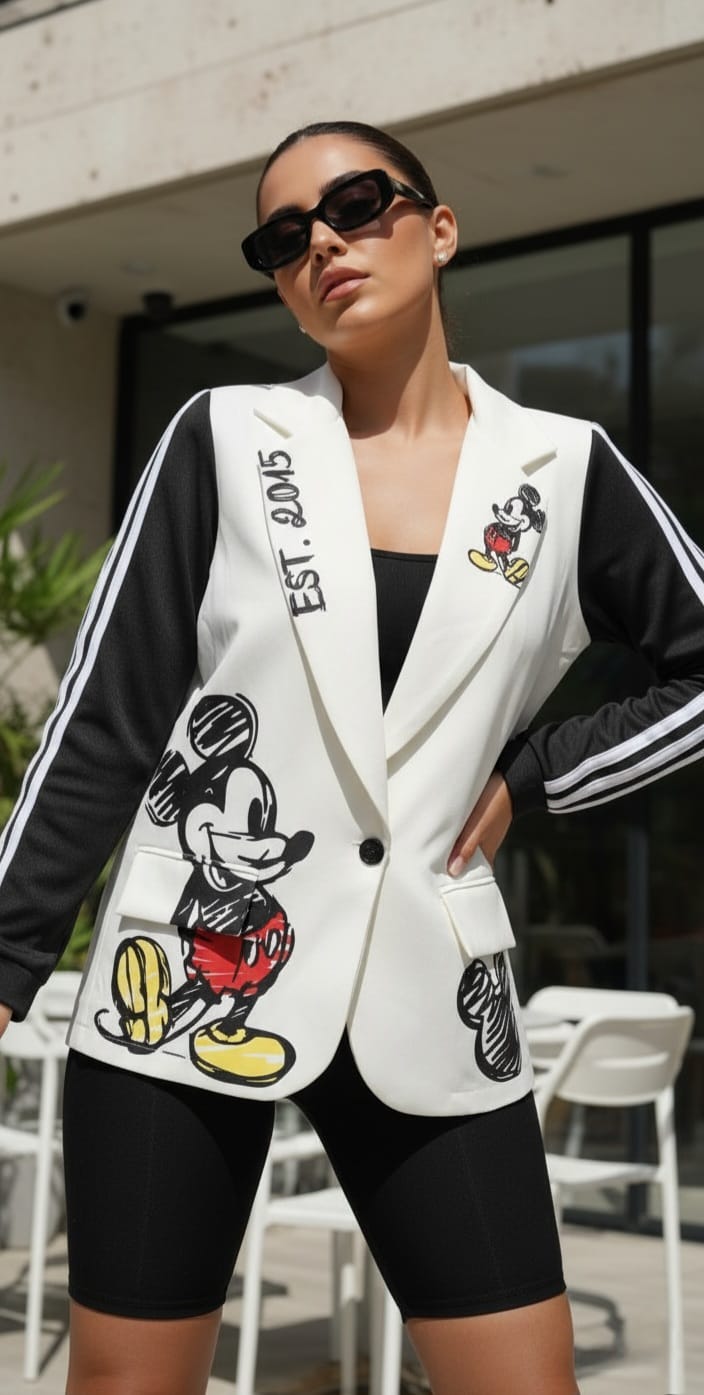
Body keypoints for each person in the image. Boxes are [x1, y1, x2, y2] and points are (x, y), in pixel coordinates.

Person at [0, 119, 701, 1395]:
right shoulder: (223, 436)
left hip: (430, 987)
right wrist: (7, 949)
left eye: (357, 204)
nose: (321, 242)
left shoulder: (561, 471)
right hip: (185, 976)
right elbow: (105, 713)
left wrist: (535, 777)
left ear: (438, 228)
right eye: (282, 238)